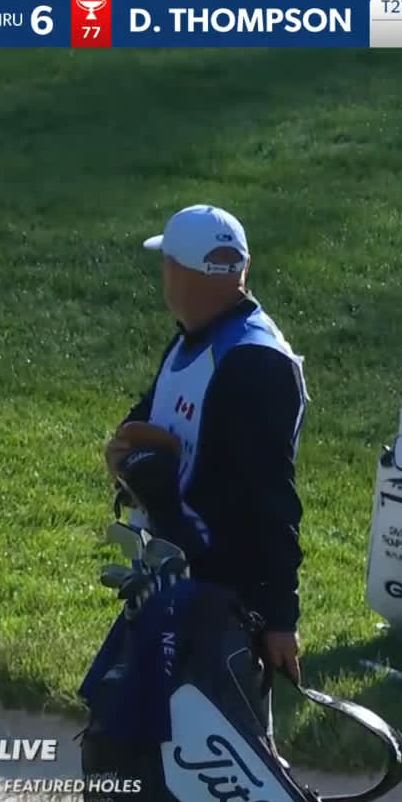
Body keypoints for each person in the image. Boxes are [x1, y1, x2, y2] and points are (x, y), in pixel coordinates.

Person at [103, 203, 309, 740]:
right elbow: (143, 423)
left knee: (229, 761)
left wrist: (280, 617)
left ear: (183, 274)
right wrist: (131, 459)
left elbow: (273, 501)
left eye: (166, 264)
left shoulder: (254, 362)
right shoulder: (190, 340)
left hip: (227, 603)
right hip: (175, 589)